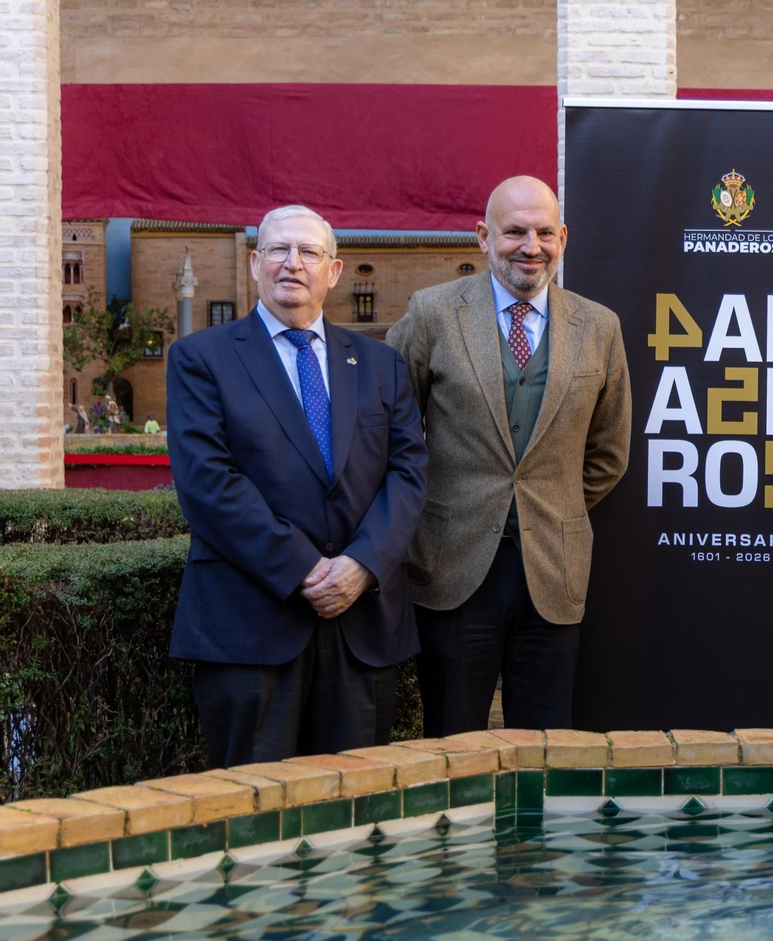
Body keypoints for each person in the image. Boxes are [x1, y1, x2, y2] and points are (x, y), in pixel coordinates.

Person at [166, 204, 427, 767]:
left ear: (333, 271)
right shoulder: (201, 359)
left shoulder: (382, 365)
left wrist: (361, 565)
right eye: (279, 250)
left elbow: (408, 474)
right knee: (255, 821)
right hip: (252, 628)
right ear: (256, 263)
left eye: (309, 252)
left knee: (353, 820)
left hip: (361, 627)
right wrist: (304, 570)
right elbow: (207, 482)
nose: (293, 263)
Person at [388, 176, 631, 736]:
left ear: (563, 238)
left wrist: (554, 501)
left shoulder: (599, 328)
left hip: (553, 569)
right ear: (482, 236)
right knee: (451, 748)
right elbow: (391, 434)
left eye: (545, 232)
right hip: (451, 567)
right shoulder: (431, 314)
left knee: (547, 750)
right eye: (514, 231)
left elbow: (610, 450)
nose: (531, 246)